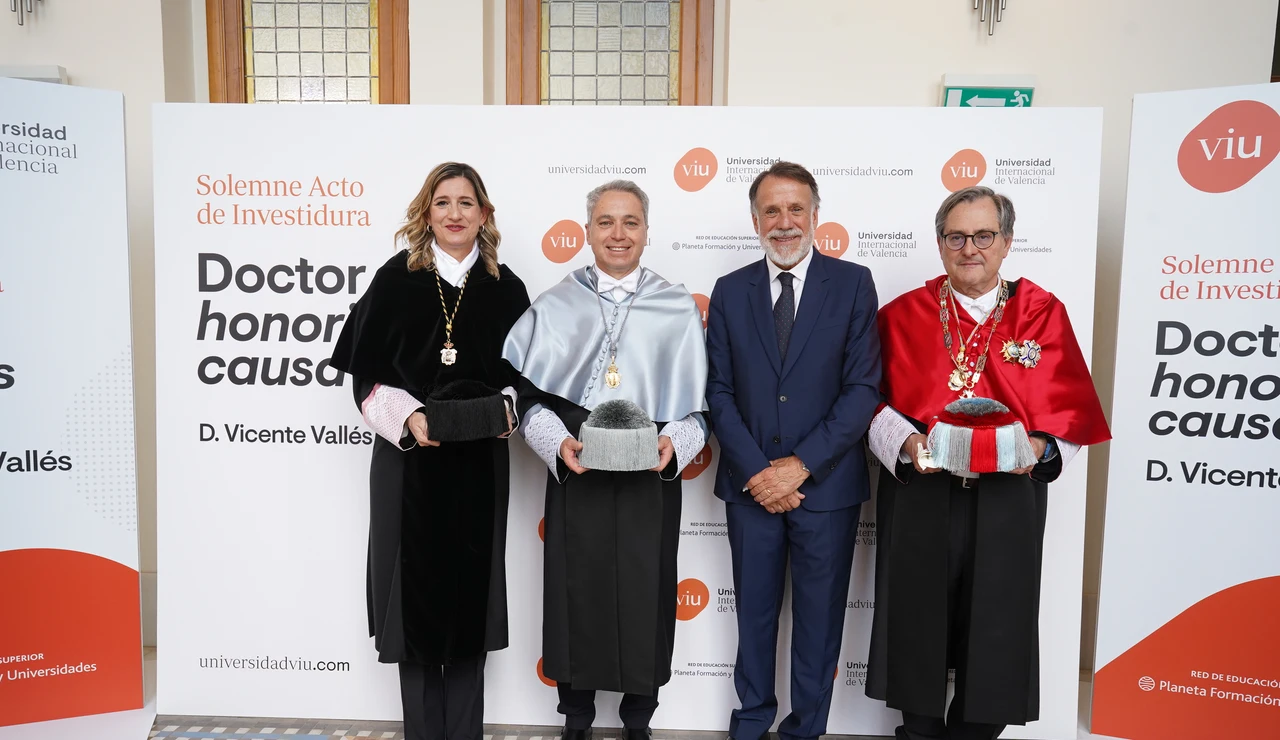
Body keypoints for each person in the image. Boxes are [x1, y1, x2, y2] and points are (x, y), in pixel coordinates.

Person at [864, 186, 1111, 740]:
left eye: (983, 236)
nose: (969, 248)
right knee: (916, 622)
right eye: (956, 236)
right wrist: (905, 444)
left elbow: (1069, 413)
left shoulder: (1041, 312)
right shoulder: (902, 314)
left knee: (999, 625)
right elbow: (868, 400)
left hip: (1008, 497)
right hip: (922, 492)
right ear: (940, 243)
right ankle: (919, 730)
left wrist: (1040, 452)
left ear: (1006, 243)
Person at [328, 162, 531, 740]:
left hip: (478, 468)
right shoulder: (396, 280)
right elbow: (364, 382)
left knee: (470, 604)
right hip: (408, 464)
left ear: (484, 215)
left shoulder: (505, 287)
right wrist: (411, 418)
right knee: (413, 602)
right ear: (426, 213)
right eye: (443, 203)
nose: (455, 213)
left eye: (467, 203)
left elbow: (527, 379)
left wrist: (502, 410)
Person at [502, 180, 709, 740]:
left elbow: (699, 408)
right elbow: (527, 398)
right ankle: (577, 718)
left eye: (631, 222)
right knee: (577, 588)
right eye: (606, 222)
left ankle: (639, 718)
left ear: (647, 232)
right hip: (578, 469)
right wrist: (555, 444)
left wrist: (674, 448)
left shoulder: (676, 308)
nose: (618, 234)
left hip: (650, 475)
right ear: (588, 230)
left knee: (647, 589)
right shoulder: (556, 303)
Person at [704, 161, 882, 740]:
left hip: (825, 490)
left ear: (815, 215)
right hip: (749, 487)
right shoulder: (731, 291)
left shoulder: (853, 283)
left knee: (819, 624)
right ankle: (751, 725)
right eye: (772, 211)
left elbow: (862, 391)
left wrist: (799, 466)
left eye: (795, 209)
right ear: (755, 219)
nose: (785, 222)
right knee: (753, 620)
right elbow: (718, 391)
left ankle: (805, 730)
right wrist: (759, 472)